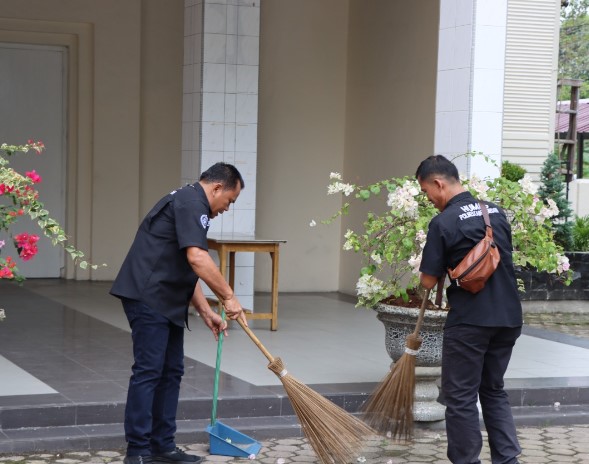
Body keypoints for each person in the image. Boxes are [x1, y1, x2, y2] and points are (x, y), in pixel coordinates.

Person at [110, 162, 247, 464]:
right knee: (149, 372)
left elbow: (186, 264)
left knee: (171, 372)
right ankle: (138, 452)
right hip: (148, 296)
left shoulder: (190, 202)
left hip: (166, 299)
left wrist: (204, 309)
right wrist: (228, 297)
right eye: (230, 201)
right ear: (217, 188)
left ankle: (163, 446)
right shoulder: (190, 201)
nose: (227, 208)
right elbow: (197, 258)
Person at [416, 155, 522, 464]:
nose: (428, 199)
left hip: (471, 321)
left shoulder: (443, 222)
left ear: (438, 183)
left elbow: (426, 281)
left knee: (460, 397)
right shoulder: (496, 212)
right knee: (493, 389)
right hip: (508, 317)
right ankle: (507, 460)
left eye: (426, 192)